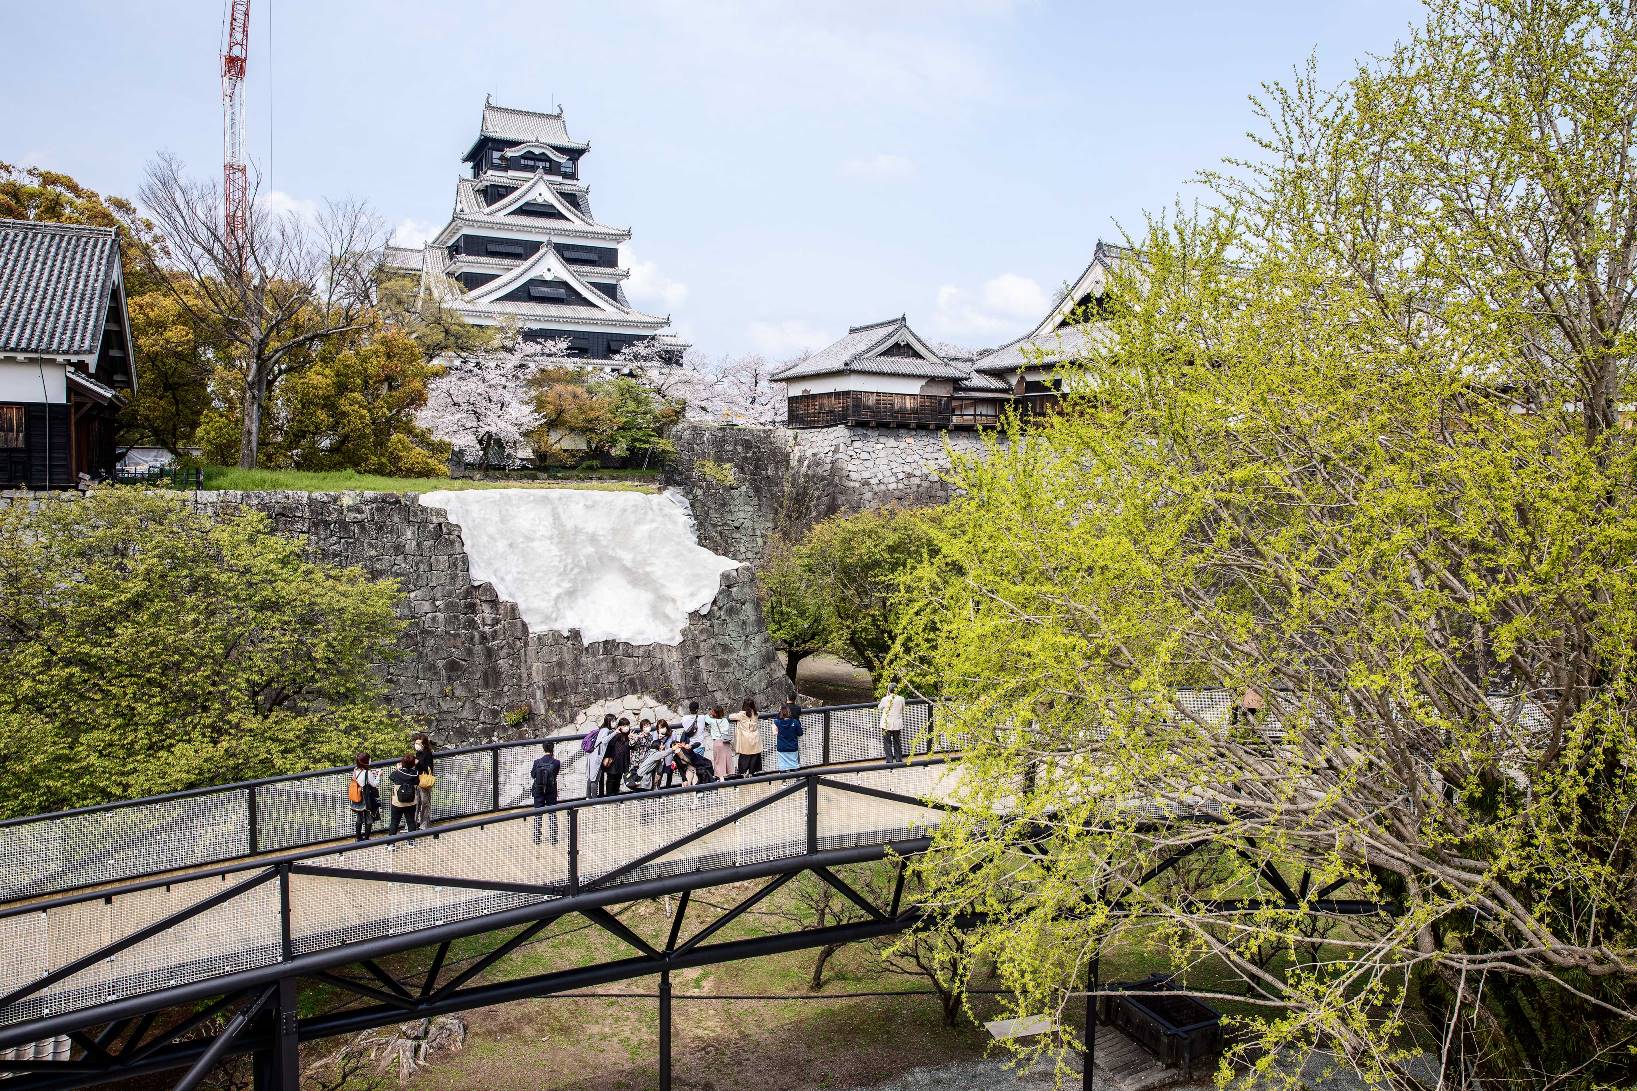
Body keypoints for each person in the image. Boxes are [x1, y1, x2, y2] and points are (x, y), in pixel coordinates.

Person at [530, 742, 561, 845]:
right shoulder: (556, 762)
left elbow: (533, 775)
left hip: (538, 791)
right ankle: (553, 838)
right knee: (552, 813)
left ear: (543, 749)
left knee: (538, 814)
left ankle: (537, 838)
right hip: (551, 791)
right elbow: (555, 774)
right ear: (553, 749)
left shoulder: (537, 762)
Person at [348, 752, 381, 841]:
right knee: (369, 818)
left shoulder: (355, 770)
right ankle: (366, 839)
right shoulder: (367, 772)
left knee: (359, 818)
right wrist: (378, 776)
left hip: (358, 796)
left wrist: (372, 773)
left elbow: (360, 780)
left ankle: (358, 838)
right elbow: (374, 784)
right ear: (366, 761)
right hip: (366, 797)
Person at [387, 752, 422, 835]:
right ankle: (411, 841)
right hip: (411, 802)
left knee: (394, 822)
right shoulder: (416, 773)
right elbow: (417, 782)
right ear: (413, 764)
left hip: (397, 803)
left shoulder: (397, 773)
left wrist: (398, 769)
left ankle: (391, 844)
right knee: (411, 822)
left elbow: (391, 777)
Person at [584, 714, 615, 799]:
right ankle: (594, 800)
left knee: (591, 777)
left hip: (592, 755)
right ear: (608, 722)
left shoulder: (602, 729)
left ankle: (588, 797)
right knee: (595, 779)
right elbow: (604, 740)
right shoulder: (605, 730)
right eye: (613, 721)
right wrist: (615, 732)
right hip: (596, 757)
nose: (614, 723)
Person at [732, 699, 764, 778]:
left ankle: (743, 772)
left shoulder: (741, 714)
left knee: (745, 756)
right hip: (755, 737)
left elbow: (731, 716)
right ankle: (752, 773)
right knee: (754, 755)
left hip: (745, 739)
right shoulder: (756, 714)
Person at [410, 732, 436, 828]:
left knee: (425, 803)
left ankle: (424, 824)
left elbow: (428, 768)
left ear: (423, 744)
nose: (416, 745)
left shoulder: (428, 754)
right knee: (415, 802)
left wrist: (418, 763)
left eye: (418, 743)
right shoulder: (418, 753)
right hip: (416, 781)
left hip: (424, 781)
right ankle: (412, 823)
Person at [602, 718, 633, 797]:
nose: (626, 727)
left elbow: (630, 748)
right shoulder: (615, 734)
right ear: (620, 726)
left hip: (622, 761)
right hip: (613, 761)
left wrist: (632, 739)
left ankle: (616, 794)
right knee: (611, 778)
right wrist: (616, 733)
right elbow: (610, 744)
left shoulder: (628, 735)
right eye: (624, 725)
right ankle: (609, 796)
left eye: (627, 725)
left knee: (618, 778)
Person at [878, 682, 907, 765]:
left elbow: (879, 707)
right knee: (897, 741)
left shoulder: (885, 699)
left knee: (887, 742)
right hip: (897, 723)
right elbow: (902, 709)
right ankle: (898, 759)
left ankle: (889, 761)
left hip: (886, 723)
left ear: (888, 690)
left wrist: (887, 696)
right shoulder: (901, 698)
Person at [706, 705, 735, 781]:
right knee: (727, 758)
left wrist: (709, 713)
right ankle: (728, 773)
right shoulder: (725, 720)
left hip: (717, 742)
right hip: (725, 741)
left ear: (714, 713)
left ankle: (721, 777)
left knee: (718, 760)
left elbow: (706, 718)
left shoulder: (712, 721)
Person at [772, 703, 803, 771]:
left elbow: (774, 733)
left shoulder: (776, 722)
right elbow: (800, 733)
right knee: (795, 765)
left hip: (782, 748)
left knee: (783, 766)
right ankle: (797, 779)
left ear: (780, 712)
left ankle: (784, 780)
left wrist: (779, 714)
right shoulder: (795, 722)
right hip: (793, 747)